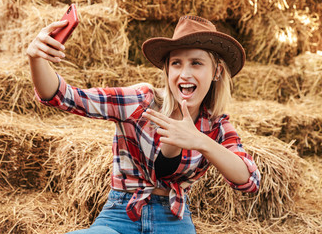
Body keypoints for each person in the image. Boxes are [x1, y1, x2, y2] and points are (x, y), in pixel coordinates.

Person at [27, 15, 261, 234]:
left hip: (173, 218)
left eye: (196, 63)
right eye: (176, 63)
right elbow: (63, 96)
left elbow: (250, 180)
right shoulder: (141, 101)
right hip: (121, 213)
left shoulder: (216, 125)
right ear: (167, 69)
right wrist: (36, 58)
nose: (184, 73)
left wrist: (202, 142)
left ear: (216, 71)